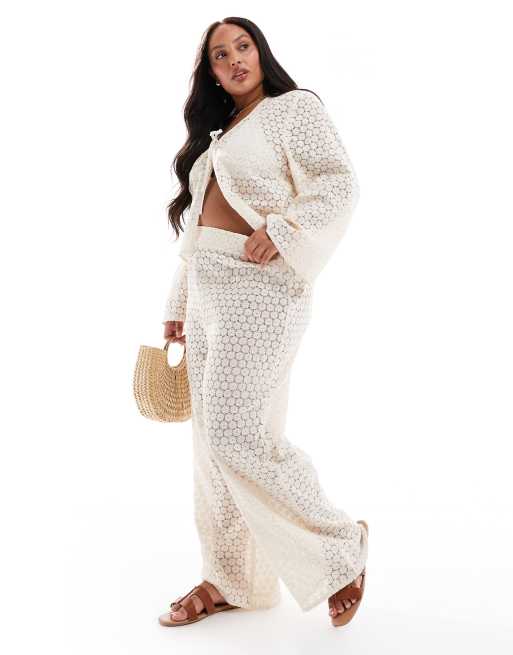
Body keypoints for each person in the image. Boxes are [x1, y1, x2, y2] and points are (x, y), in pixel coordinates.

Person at [158, 16, 368, 628]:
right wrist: (177, 304)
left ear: (261, 51)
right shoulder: (220, 134)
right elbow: (199, 229)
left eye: (242, 46)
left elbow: (338, 184)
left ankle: (340, 545)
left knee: (236, 432)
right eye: (220, 55)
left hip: (262, 288)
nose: (234, 60)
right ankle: (232, 579)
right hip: (206, 290)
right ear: (211, 73)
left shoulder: (292, 109)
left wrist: (284, 229)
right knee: (210, 446)